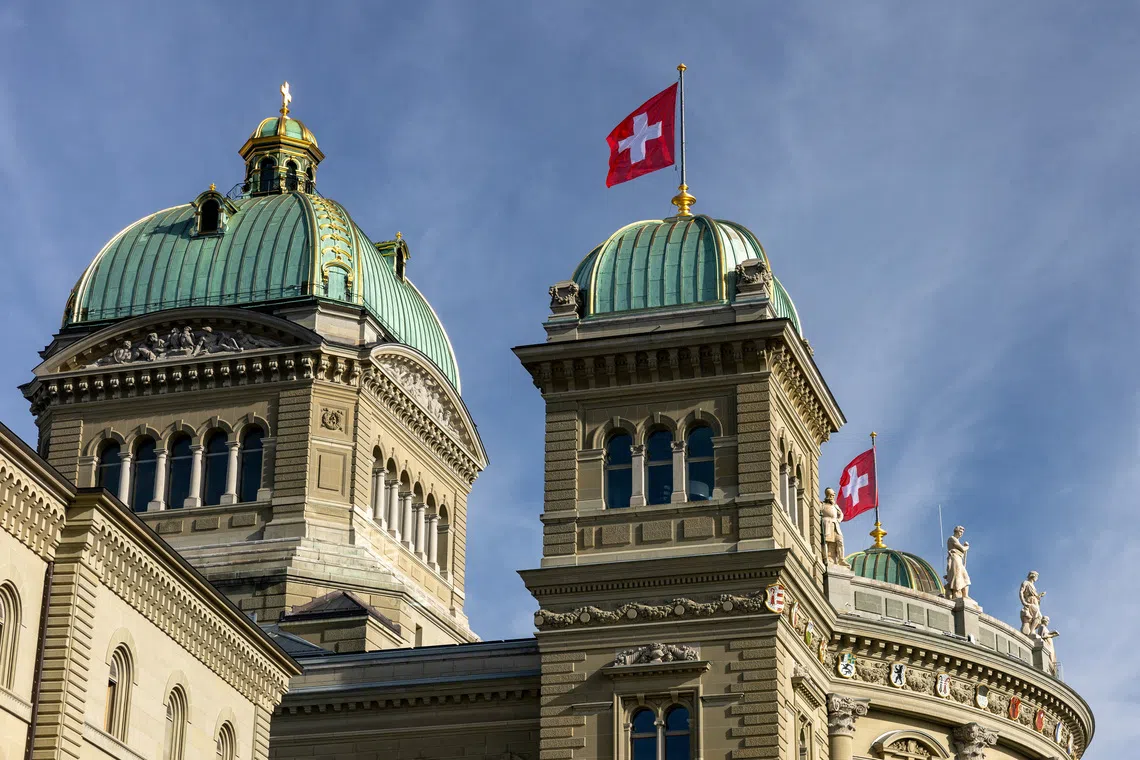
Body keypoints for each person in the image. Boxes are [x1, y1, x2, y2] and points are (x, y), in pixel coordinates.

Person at [820, 488, 848, 566]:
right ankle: (826, 558)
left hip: (835, 524)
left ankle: (841, 559)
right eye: (831, 495)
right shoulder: (822, 504)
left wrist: (839, 520)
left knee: (840, 541)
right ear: (827, 495)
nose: (832, 497)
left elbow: (841, 514)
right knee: (826, 541)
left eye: (833, 495)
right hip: (827, 523)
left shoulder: (835, 506)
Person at [945, 525, 971, 599]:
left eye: (962, 532)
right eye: (960, 531)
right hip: (955, 559)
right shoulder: (952, 539)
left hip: (958, 559)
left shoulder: (956, 540)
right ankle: (956, 593)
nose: (961, 534)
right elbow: (962, 549)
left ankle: (965, 595)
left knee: (965, 577)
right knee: (957, 576)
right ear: (956, 531)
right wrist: (967, 547)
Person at [1019, 571, 1046, 635]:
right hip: (1030, 601)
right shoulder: (1026, 582)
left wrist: (1039, 595)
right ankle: (1032, 631)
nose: (1037, 578)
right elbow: (1021, 592)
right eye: (1036, 577)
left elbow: (1034, 595)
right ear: (1033, 576)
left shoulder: (1033, 585)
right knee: (1039, 617)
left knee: (1037, 619)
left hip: (1035, 602)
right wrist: (1023, 602)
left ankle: (1031, 630)